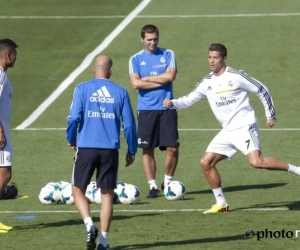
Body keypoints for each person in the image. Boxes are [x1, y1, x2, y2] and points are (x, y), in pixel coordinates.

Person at [163, 43, 300, 214]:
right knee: (206, 162)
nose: (212, 61)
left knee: (257, 162)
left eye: (216, 58)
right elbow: (189, 99)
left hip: (244, 126)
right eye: (209, 57)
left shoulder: (236, 76)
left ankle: (297, 170)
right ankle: (221, 204)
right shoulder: (207, 82)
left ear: (224, 59)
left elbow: (262, 90)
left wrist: (270, 115)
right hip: (227, 131)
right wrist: (172, 103)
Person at [66, 55, 137, 250]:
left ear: (93, 69)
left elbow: (73, 118)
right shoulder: (121, 92)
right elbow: (129, 125)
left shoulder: (82, 89)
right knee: (107, 195)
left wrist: (71, 138)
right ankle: (103, 243)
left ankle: (90, 225)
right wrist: (132, 150)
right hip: (110, 150)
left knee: (77, 190)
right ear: (111, 70)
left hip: (86, 147)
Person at [129, 24, 179, 198]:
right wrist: (161, 80)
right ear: (142, 39)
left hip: (167, 107)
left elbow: (170, 76)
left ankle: (168, 182)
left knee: (172, 147)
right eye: (149, 40)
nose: (152, 42)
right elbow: (135, 83)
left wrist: (148, 78)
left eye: (155, 39)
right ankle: (152, 186)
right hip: (146, 109)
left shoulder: (168, 54)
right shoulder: (135, 59)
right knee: (148, 149)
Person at [0, 38, 18, 233]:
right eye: (15, 54)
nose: (16, 58)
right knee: (4, 174)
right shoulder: (0, 75)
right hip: (0, 134)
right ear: (7, 55)